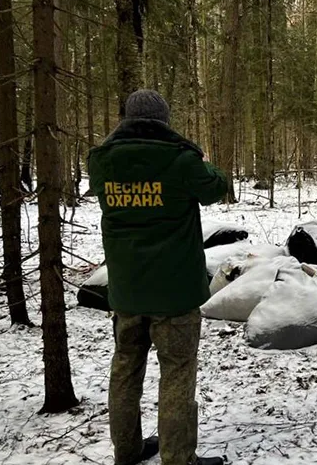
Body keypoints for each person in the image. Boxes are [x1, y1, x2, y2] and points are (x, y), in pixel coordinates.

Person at [87, 89, 227, 465]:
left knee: (125, 371)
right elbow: (216, 189)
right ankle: (178, 458)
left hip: (127, 291)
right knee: (178, 375)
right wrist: (204, 161)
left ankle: (127, 450)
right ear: (163, 121)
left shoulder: (101, 161)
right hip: (175, 293)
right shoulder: (180, 160)